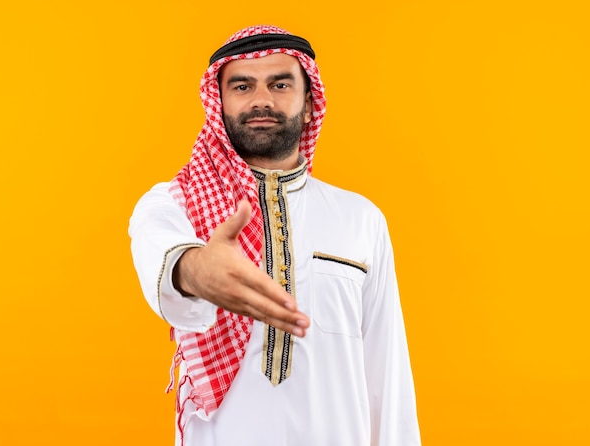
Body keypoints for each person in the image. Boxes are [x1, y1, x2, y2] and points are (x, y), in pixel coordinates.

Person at [129, 24, 421, 446]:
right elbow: (158, 247)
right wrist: (193, 271)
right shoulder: (175, 203)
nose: (261, 99)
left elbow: (386, 370)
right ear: (219, 104)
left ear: (308, 103)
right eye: (242, 86)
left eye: (280, 83)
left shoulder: (361, 219)